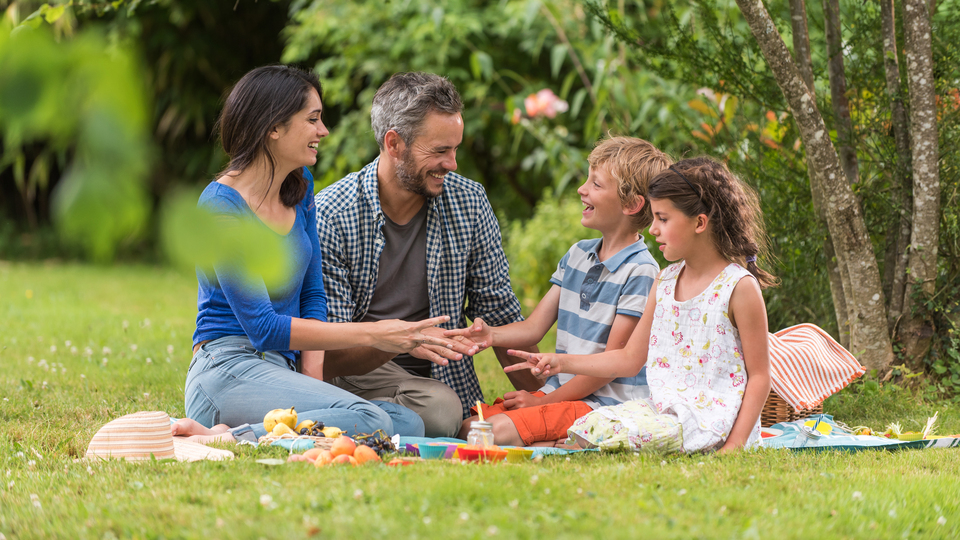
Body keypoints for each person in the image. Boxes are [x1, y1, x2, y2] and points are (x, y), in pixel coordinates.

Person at [177, 65, 456, 445]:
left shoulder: (300, 187)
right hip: (229, 367)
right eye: (312, 119)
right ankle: (226, 436)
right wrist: (377, 333)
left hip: (281, 368)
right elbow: (263, 327)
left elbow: (312, 295)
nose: (323, 131)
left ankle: (254, 432)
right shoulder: (220, 207)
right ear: (273, 127)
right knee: (367, 417)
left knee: (406, 424)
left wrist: (311, 384)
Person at [313, 72, 540, 437]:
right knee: (441, 411)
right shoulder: (331, 214)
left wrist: (548, 399)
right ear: (394, 144)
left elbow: (498, 310)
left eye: (455, 149)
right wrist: (398, 340)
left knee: (442, 407)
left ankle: (380, 421)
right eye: (438, 151)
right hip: (356, 372)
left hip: (439, 378)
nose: (451, 164)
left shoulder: (469, 201)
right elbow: (326, 352)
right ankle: (366, 417)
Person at [505, 157, 776, 453]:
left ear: (699, 222)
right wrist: (562, 362)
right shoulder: (666, 281)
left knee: (613, 434)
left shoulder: (738, 287)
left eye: (663, 218)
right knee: (590, 425)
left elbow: (760, 375)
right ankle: (571, 445)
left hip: (710, 419)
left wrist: (735, 445)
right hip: (660, 410)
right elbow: (629, 358)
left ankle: (574, 447)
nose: (652, 230)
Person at [446, 137, 672, 447]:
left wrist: (542, 404)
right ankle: (552, 442)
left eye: (596, 184)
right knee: (467, 425)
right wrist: (491, 336)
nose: (582, 189)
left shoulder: (641, 271)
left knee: (484, 434)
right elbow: (533, 328)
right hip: (561, 393)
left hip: (602, 407)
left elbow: (608, 368)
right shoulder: (578, 255)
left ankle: (565, 443)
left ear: (631, 204)